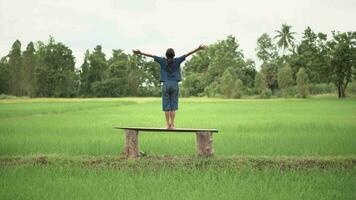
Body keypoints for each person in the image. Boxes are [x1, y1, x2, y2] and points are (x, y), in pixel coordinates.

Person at [133, 45, 206, 129]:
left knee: (166, 106)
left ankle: (167, 124)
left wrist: (140, 53)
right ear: (174, 55)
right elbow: (187, 54)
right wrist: (198, 49)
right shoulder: (177, 61)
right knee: (173, 107)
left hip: (166, 85)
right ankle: (173, 124)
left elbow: (151, 55)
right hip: (175, 85)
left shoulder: (162, 61)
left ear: (166, 55)